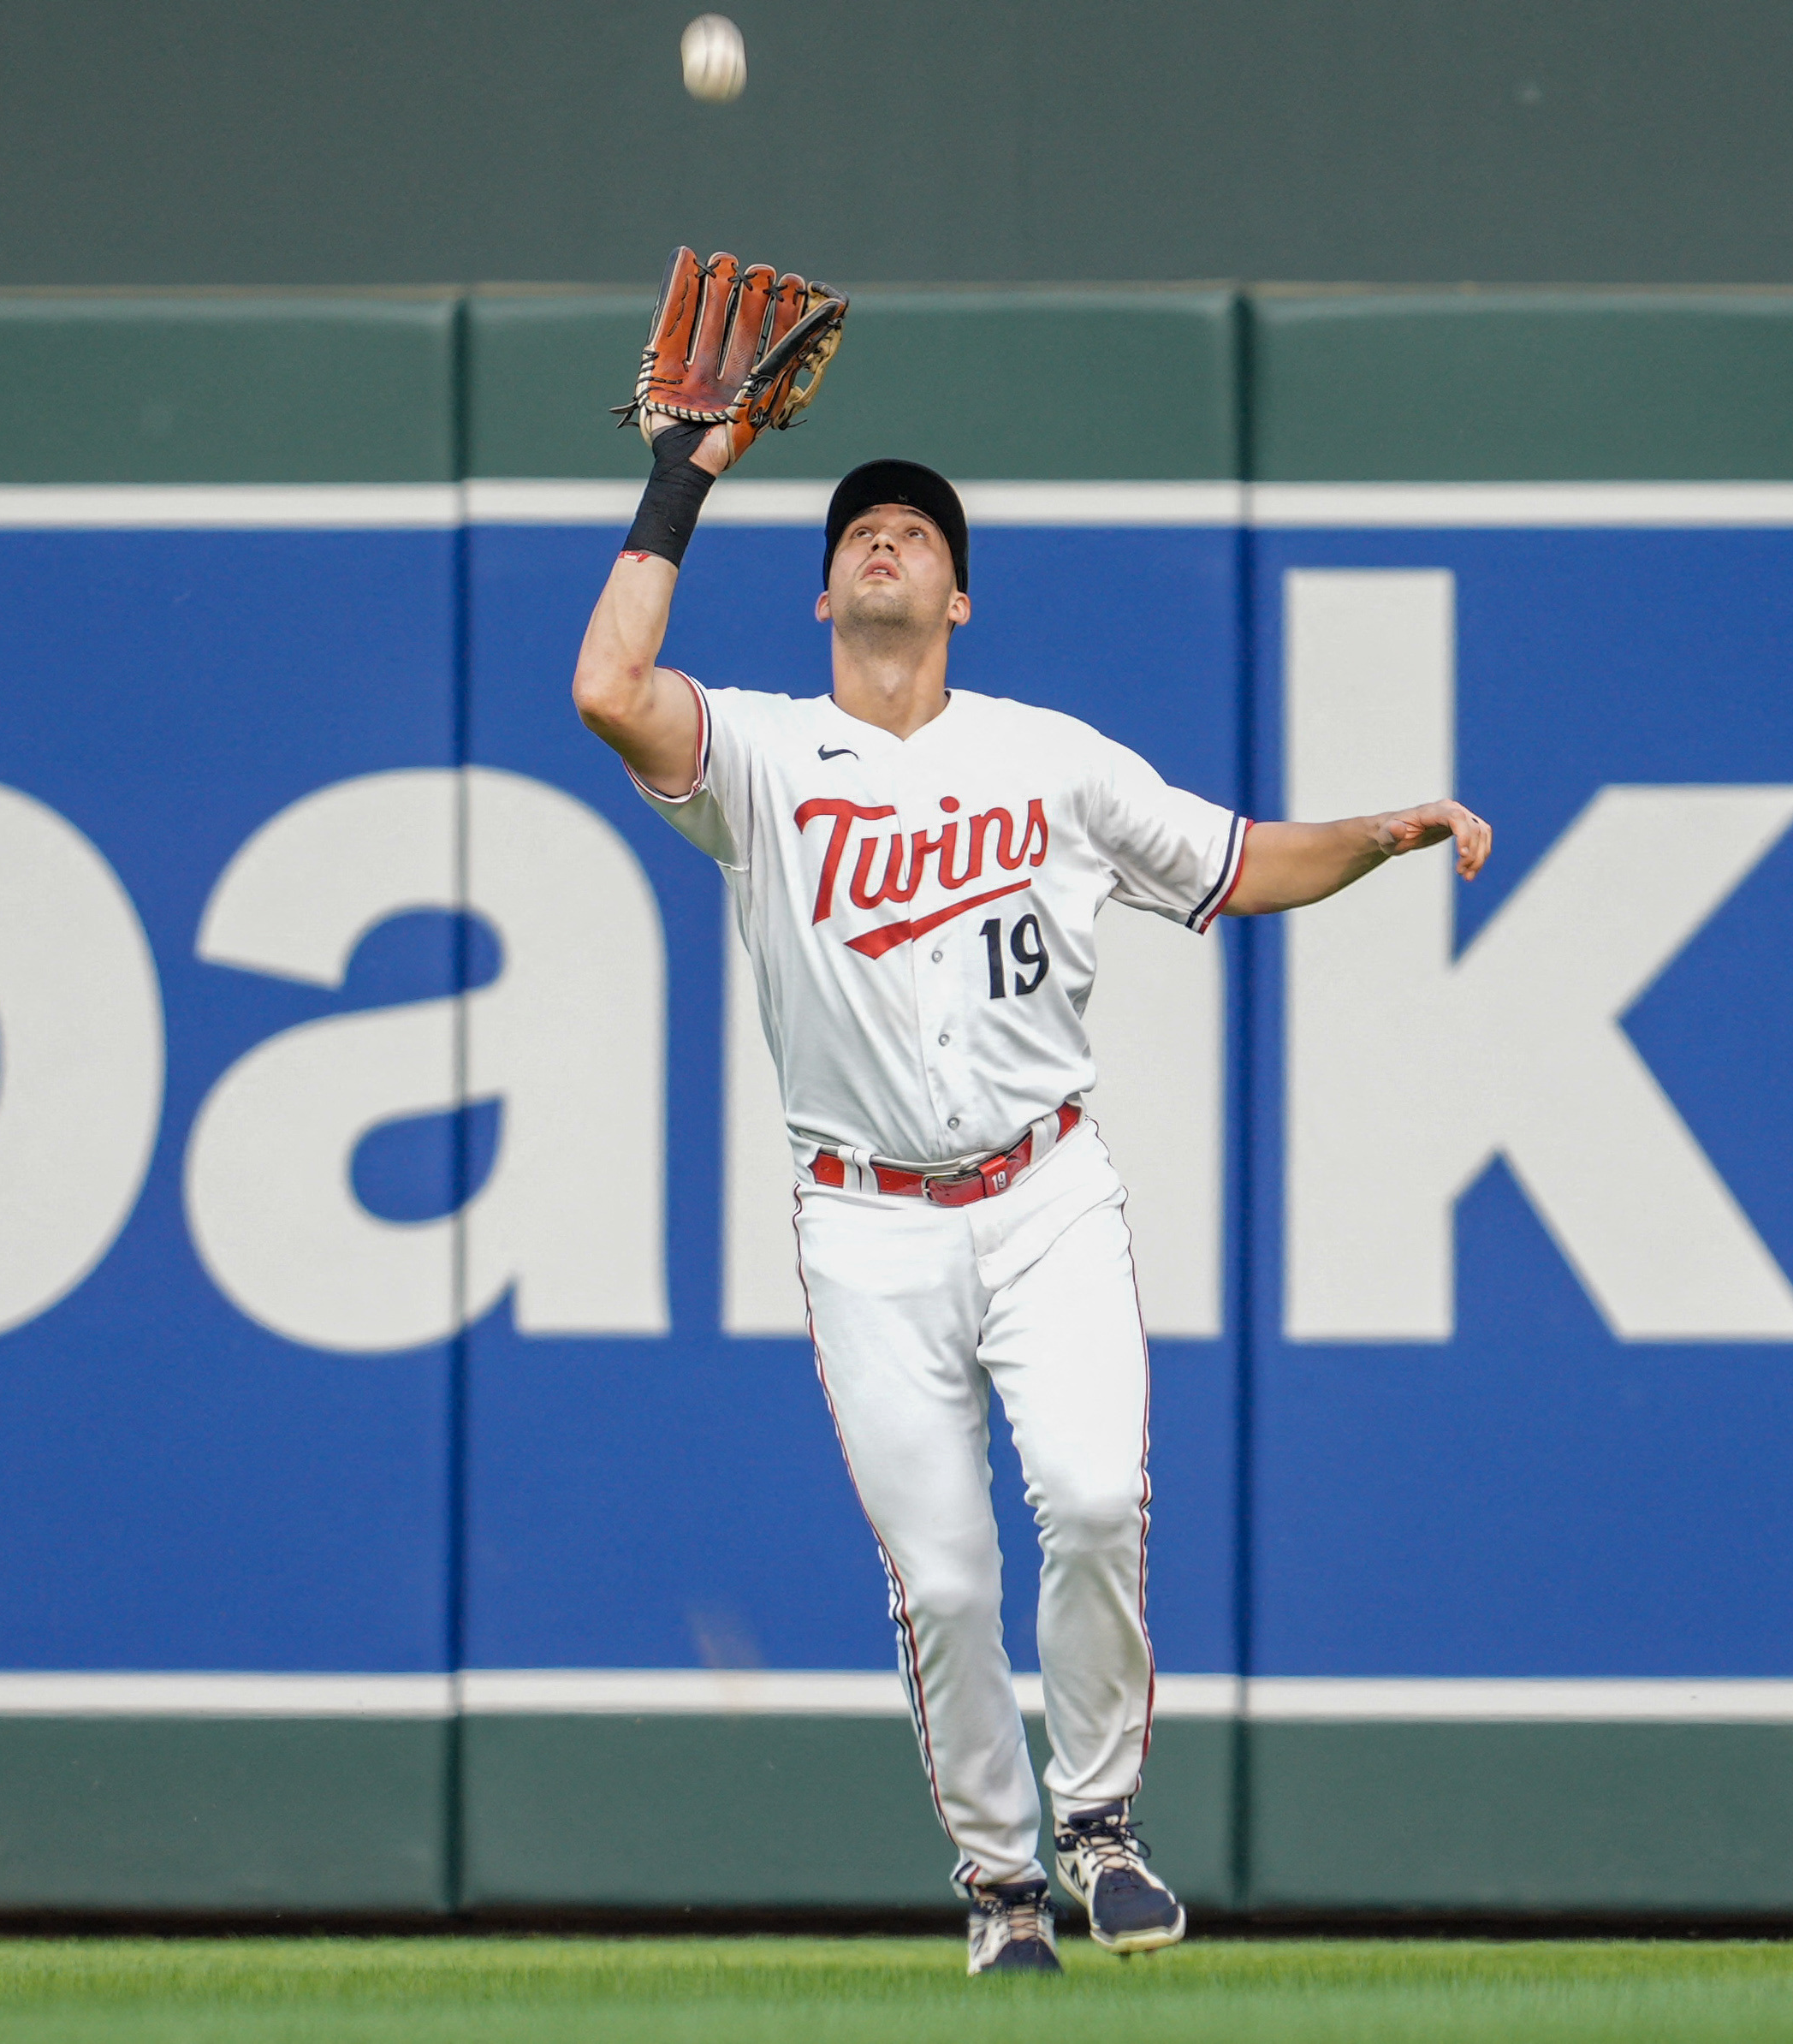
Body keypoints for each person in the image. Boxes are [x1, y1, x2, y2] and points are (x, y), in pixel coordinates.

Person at [573, 415, 1490, 1974]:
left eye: (918, 532)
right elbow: (607, 690)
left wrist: (1385, 834)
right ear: (818, 598)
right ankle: (1001, 1887)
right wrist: (686, 479)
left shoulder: (1051, 758)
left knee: (1086, 1497)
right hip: (862, 1220)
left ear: (959, 600)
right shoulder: (765, 755)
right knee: (939, 1578)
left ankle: (1100, 1827)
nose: (884, 538)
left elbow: (1242, 859)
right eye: (859, 530)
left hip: (1044, 1193)